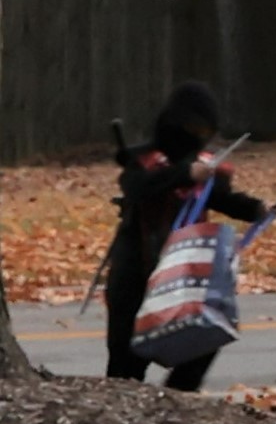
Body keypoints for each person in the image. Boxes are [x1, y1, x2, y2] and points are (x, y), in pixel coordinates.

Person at [99, 86, 266, 388]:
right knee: (125, 364)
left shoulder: (205, 165)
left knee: (202, 337)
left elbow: (219, 199)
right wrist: (185, 174)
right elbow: (138, 188)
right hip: (135, 271)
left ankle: (177, 400)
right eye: (193, 128)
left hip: (184, 272)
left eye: (204, 130)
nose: (198, 135)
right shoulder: (145, 161)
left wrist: (256, 209)